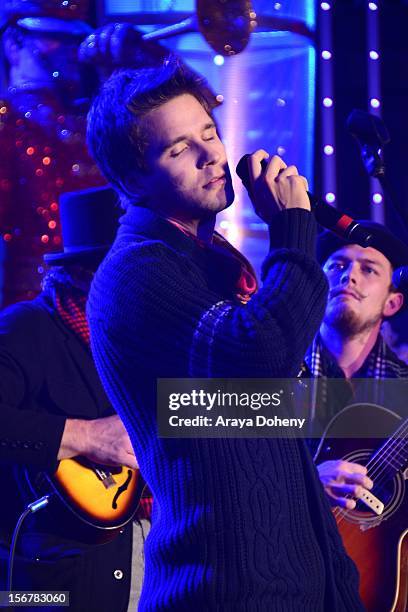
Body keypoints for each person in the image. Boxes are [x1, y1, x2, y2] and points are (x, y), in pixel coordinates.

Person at [85, 60, 363, 610]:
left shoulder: (211, 260)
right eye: (179, 148)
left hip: (296, 584)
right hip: (226, 589)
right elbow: (259, 356)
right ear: (132, 180)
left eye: (209, 132)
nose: (212, 154)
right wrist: (291, 229)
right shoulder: (137, 273)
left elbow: (243, 409)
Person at [0, 186, 151, 611]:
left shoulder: (148, 349)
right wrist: (85, 436)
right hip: (47, 587)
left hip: (149, 572)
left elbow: (240, 416)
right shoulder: (28, 328)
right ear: (91, 274)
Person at [302, 222, 408, 509]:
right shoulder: (275, 374)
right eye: (337, 266)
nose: (349, 277)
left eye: (369, 269)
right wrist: (307, 484)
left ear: (392, 303)